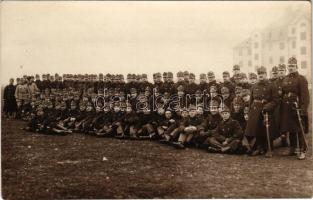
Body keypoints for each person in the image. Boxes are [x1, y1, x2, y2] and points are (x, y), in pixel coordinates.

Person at [245, 66, 279, 157]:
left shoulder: (272, 85)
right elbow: (251, 101)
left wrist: (268, 106)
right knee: (255, 130)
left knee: (267, 131)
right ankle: (259, 148)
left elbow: (276, 100)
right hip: (255, 110)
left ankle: (269, 149)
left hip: (266, 111)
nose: (260, 75)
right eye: (259, 74)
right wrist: (249, 111)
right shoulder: (254, 86)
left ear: (266, 74)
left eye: (262, 74)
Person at [280, 57, 310, 160]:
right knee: (291, 128)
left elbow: (305, 96)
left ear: (296, 67)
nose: (290, 68)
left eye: (292, 66)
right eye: (289, 66)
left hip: (296, 107)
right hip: (287, 108)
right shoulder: (285, 79)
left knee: (299, 129)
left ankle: (302, 150)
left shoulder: (301, 79)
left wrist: (303, 109)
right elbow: (283, 93)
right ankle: (293, 149)